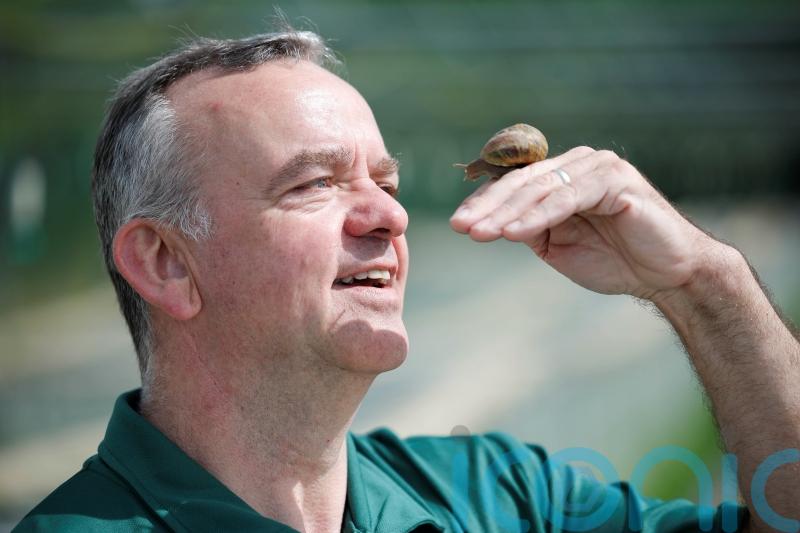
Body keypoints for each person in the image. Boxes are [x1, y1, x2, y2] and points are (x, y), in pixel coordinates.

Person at [13, 27, 799, 533]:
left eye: (385, 183)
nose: (389, 216)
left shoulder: (501, 496)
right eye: (313, 183)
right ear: (166, 262)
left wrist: (707, 283)